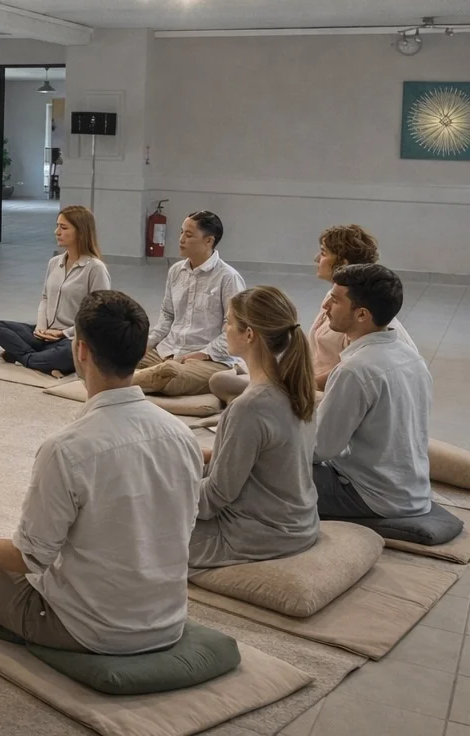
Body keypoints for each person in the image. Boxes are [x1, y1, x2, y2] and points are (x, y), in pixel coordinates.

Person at [0, 290, 202, 653]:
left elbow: (28, 558)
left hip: (90, 630)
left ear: (81, 351)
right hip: (168, 620)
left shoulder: (67, 448)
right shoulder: (183, 435)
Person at [189, 286, 319, 568]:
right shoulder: (297, 388)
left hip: (257, 535)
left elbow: (214, 498)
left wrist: (165, 489)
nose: (224, 329)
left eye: (228, 322)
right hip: (299, 524)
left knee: (136, 527)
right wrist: (207, 455)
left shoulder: (250, 407)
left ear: (249, 334)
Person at [210, 224, 415, 399]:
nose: (317, 258)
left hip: (322, 392)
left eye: (324, 252)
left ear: (342, 263)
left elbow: (349, 372)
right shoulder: (335, 298)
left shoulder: (358, 318)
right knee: (231, 376)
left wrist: (299, 385)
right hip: (310, 381)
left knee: (222, 381)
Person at [312, 264, 441, 527]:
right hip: (411, 492)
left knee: (264, 470)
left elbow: (321, 449)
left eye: (335, 300)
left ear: (361, 314)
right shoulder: (411, 357)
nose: (326, 307)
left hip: (370, 496)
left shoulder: (354, 370)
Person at [132, 211, 246, 398]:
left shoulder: (228, 277)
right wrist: (148, 343)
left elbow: (235, 328)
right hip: (168, 352)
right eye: (181, 232)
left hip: (208, 360)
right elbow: (168, 315)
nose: (181, 239)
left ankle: (126, 381)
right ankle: (144, 378)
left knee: (172, 374)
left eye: (189, 234)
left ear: (209, 241)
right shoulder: (176, 271)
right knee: (123, 352)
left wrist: (205, 353)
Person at [0, 205, 111, 376]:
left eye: (63, 227)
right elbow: (45, 297)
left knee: (69, 353)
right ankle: (38, 360)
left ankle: (24, 358)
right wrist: (41, 327)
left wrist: (63, 333)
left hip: (71, 339)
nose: (56, 232)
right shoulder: (54, 263)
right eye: (57, 226)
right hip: (45, 335)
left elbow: (99, 316)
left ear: (81, 232)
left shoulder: (95, 268)